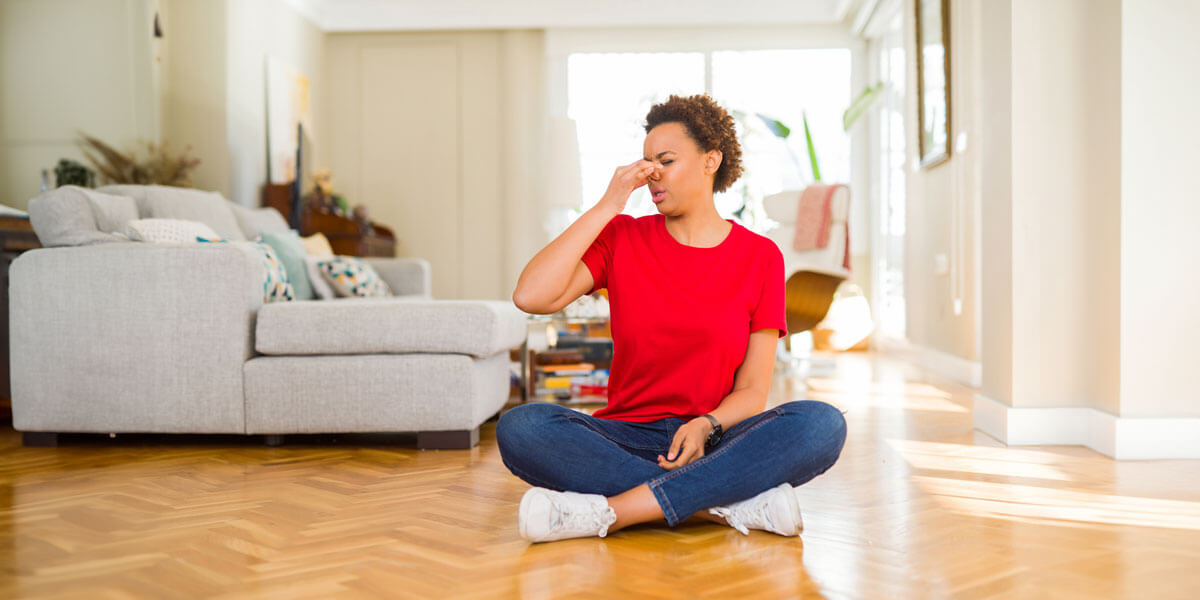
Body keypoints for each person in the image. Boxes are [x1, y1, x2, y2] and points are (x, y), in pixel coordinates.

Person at [501, 94, 847, 543]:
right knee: (522, 427)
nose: (653, 174)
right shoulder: (622, 238)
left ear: (711, 160)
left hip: (715, 439)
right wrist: (609, 205)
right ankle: (724, 506)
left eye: (665, 159)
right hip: (624, 435)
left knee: (822, 423)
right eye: (646, 163)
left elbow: (752, 392)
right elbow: (531, 295)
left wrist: (707, 424)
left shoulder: (761, 257)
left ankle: (613, 512)